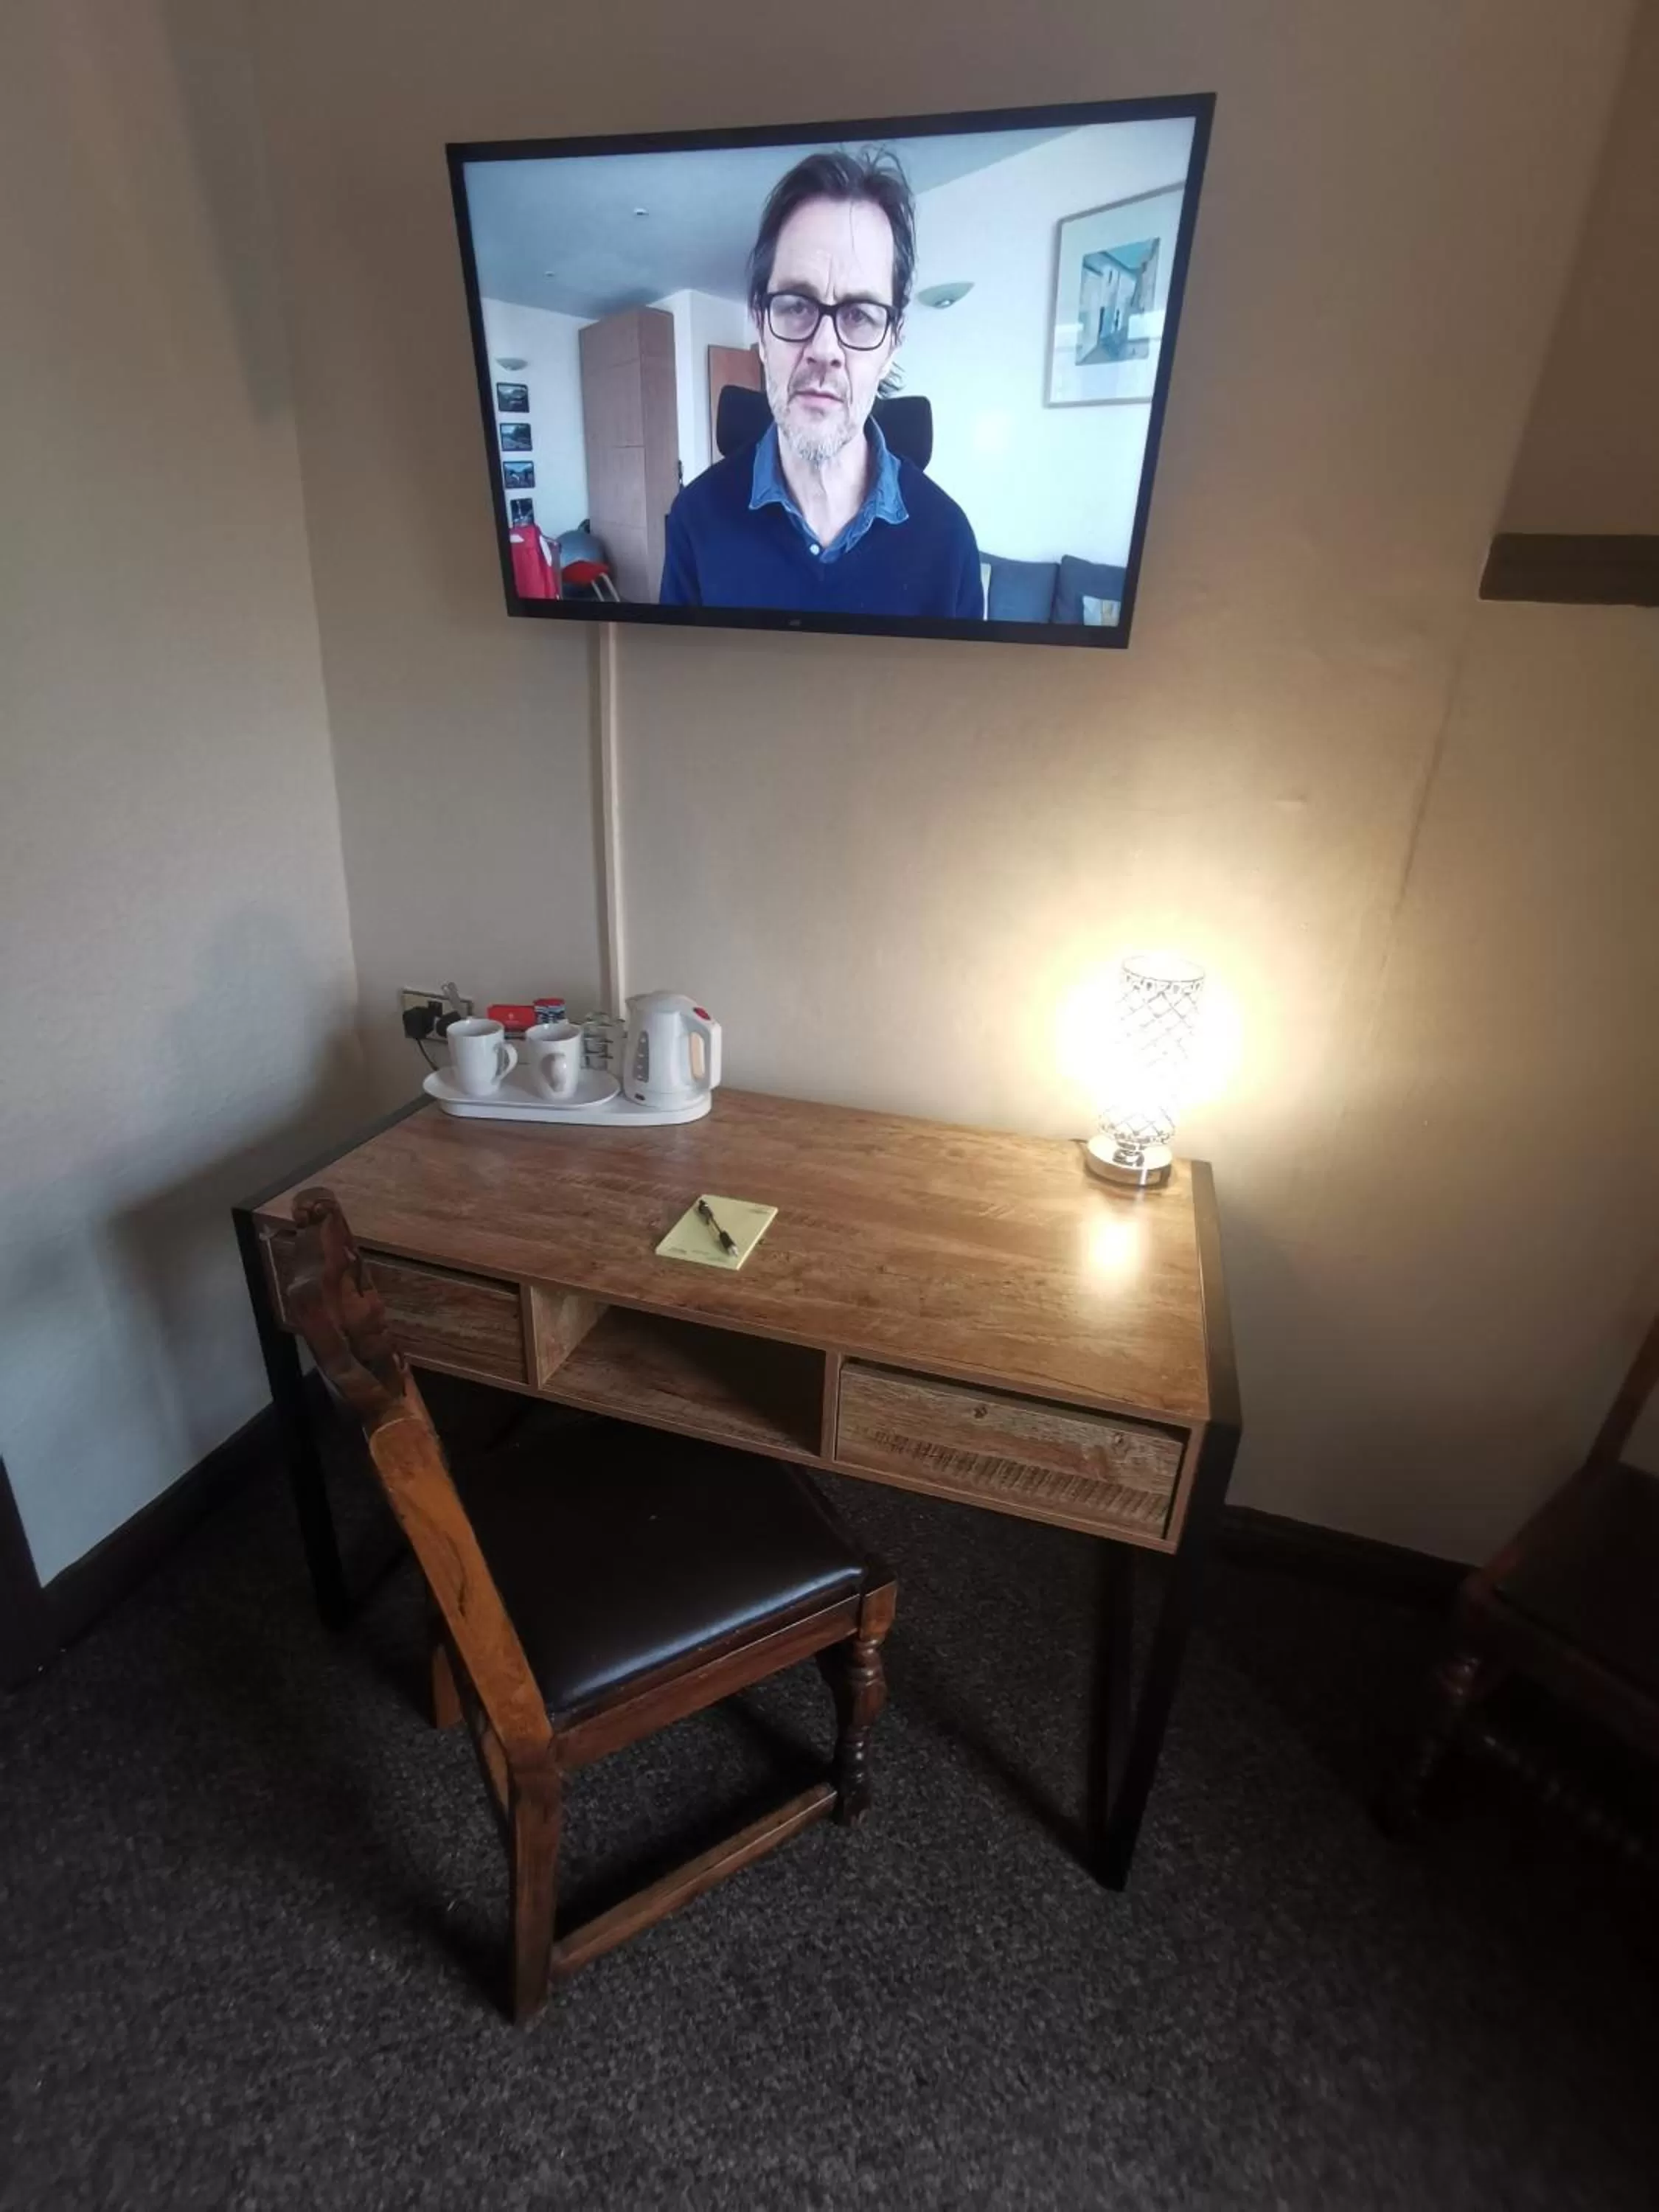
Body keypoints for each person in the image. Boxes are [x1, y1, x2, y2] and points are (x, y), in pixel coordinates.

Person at [658, 150, 982, 620]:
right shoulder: (694, 521)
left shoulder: (950, 544)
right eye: (796, 306)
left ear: (891, 347)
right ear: (761, 329)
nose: (824, 349)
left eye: (860, 315)